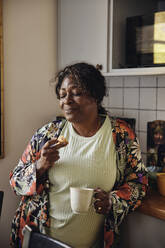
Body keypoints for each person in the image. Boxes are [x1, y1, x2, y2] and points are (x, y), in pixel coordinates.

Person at [10, 62, 148, 248]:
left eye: (75, 93)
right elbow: (15, 182)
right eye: (62, 95)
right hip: (40, 240)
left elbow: (139, 183)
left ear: (95, 96)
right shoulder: (47, 135)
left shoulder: (122, 136)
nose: (66, 101)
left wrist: (113, 201)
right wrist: (40, 166)